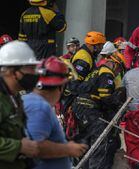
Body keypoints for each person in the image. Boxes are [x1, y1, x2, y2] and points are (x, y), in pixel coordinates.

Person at [22, 56, 88, 169]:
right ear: (60, 87)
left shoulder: (31, 101)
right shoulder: (39, 107)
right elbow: (35, 148)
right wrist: (68, 149)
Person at [71, 53, 126, 169]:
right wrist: (117, 101)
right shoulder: (107, 73)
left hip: (80, 106)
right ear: (115, 65)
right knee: (100, 136)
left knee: (86, 138)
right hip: (88, 107)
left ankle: (82, 165)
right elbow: (105, 97)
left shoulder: (96, 71)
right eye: (120, 69)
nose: (118, 73)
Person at [0, 41, 40, 169]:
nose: (34, 73)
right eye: (30, 69)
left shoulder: (14, 96)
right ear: (13, 72)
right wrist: (19, 147)